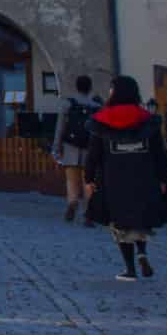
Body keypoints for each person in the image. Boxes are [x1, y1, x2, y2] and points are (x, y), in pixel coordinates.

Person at [84, 74, 167, 283]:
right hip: (144, 175)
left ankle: (130, 269)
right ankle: (142, 252)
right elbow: (158, 153)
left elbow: (93, 153)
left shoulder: (103, 120)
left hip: (113, 177)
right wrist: (162, 178)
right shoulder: (146, 120)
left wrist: (89, 178)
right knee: (140, 218)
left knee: (120, 222)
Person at [52, 74, 103, 224]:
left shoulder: (68, 103)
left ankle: (72, 202)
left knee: (71, 179)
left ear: (77, 87)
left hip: (70, 147)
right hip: (90, 149)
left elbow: (60, 128)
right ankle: (88, 212)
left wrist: (56, 147)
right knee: (89, 181)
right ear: (90, 88)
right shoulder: (97, 107)